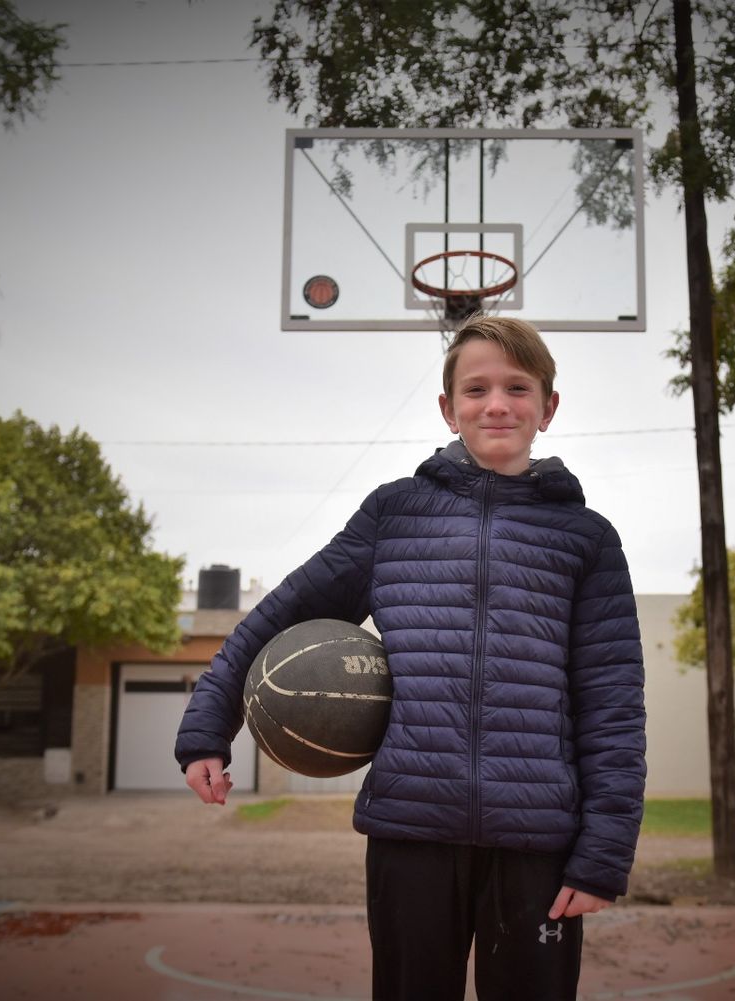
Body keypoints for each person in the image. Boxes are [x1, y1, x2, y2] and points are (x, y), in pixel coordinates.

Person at [175, 315, 646, 1001]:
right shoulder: (394, 515)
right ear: (448, 407)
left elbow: (613, 702)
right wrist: (207, 723)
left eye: (517, 387)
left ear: (547, 407)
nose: (496, 404)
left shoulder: (586, 538)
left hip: (537, 839)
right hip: (411, 830)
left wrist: (603, 850)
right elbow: (283, 611)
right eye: (476, 388)